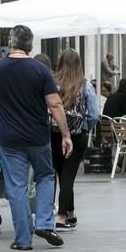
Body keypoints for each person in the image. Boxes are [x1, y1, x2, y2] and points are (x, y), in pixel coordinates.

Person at [0, 25, 73, 250]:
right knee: (45, 175)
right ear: (30, 44)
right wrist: (65, 134)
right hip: (38, 136)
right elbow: (54, 103)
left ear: (11, 42)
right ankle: (44, 222)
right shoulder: (40, 70)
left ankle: (23, 239)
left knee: (17, 187)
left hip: (10, 138)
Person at [50, 49, 98, 232]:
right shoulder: (85, 86)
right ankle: (62, 216)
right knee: (68, 176)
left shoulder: (52, 83)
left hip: (54, 134)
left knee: (60, 174)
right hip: (77, 136)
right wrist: (85, 127)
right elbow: (93, 114)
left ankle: (70, 213)